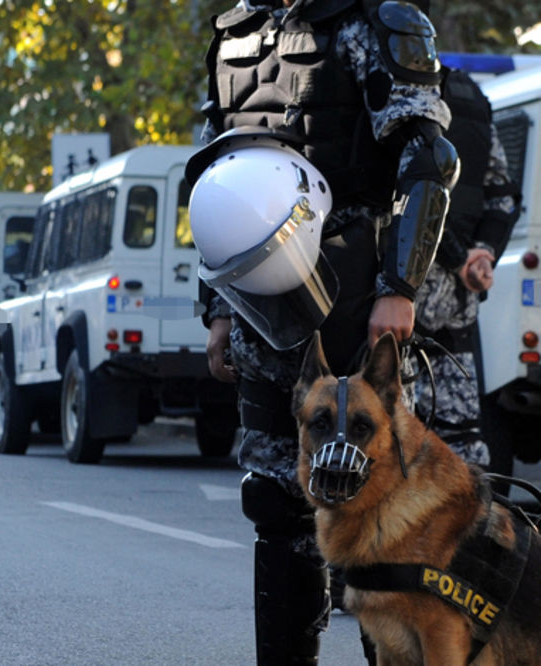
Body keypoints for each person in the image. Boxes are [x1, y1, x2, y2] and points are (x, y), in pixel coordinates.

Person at [187, 1, 455, 663]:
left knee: (375, 510)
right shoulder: (233, 36)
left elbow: (427, 158)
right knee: (275, 509)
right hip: (258, 309)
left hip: (356, 300)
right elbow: (216, 179)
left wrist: (400, 288)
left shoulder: (375, 23)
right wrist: (216, 308)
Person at [413, 65, 521, 467]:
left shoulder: (387, 82)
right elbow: (502, 197)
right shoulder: (468, 92)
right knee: (459, 452)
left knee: (390, 444)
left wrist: (473, 257)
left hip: (397, 305)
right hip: (451, 310)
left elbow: (403, 199)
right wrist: (481, 253)